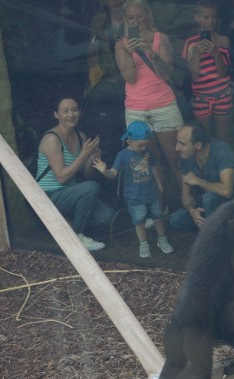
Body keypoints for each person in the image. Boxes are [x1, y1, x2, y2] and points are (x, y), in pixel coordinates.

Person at [114, 0, 184, 190]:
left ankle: (188, 201)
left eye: (139, 16)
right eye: (131, 18)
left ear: (147, 16)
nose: (136, 21)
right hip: (136, 109)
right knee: (150, 164)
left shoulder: (160, 38)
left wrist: (148, 51)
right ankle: (159, 206)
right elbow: (130, 77)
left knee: (176, 160)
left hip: (163, 105)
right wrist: (129, 53)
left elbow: (166, 73)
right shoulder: (121, 45)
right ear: (126, 19)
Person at [36, 96, 115, 252]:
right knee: (91, 187)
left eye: (74, 110)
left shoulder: (80, 136)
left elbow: (86, 175)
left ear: (80, 112)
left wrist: (92, 158)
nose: (70, 115)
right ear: (56, 115)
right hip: (49, 197)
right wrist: (83, 155)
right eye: (65, 111)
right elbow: (62, 177)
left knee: (106, 215)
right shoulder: (52, 138)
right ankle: (75, 236)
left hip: (70, 195)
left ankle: (62, 224)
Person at [93, 121, 174, 258]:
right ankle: (143, 243)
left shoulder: (147, 152)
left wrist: (159, 183)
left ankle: (162, 239)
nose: (143, 148)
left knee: (158, 217)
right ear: (129, 141)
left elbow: (154, 167)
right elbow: (113, 173)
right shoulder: (123, 155)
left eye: (145, 145)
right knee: (139, 221)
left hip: (151, 193)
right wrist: (104, 171)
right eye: (140, 145)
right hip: (134, 197)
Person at [169, 121, 234, 231]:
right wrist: (192, 212)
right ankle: (209, 229)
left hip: (232, 204)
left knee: (209, 199)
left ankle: (214, 236)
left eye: (182, 143)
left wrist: (198, 181)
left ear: (198, 145)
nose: (177, 148)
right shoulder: (186, 156)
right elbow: (186, 194)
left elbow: (227, 191)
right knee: (175, 219)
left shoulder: (221, 150)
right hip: (209, 206)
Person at [182, 0, 233, 142]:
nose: (210, 21)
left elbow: (224, 73)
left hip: (223, 95)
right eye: (206, 18)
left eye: (214, 17)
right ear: (197, 18)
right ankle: (208, 163)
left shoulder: (223, 40)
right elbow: (193, 76)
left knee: (224, 136)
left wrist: (216, 54)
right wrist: (197, 54)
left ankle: (224, 163)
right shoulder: (190, 43)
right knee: (204, 136)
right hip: (201, 97)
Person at [86, 0, 126, 91]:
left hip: (135, 79)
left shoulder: (138, 15)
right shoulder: (98, 19)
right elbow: (91, 48)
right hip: (106, 82)